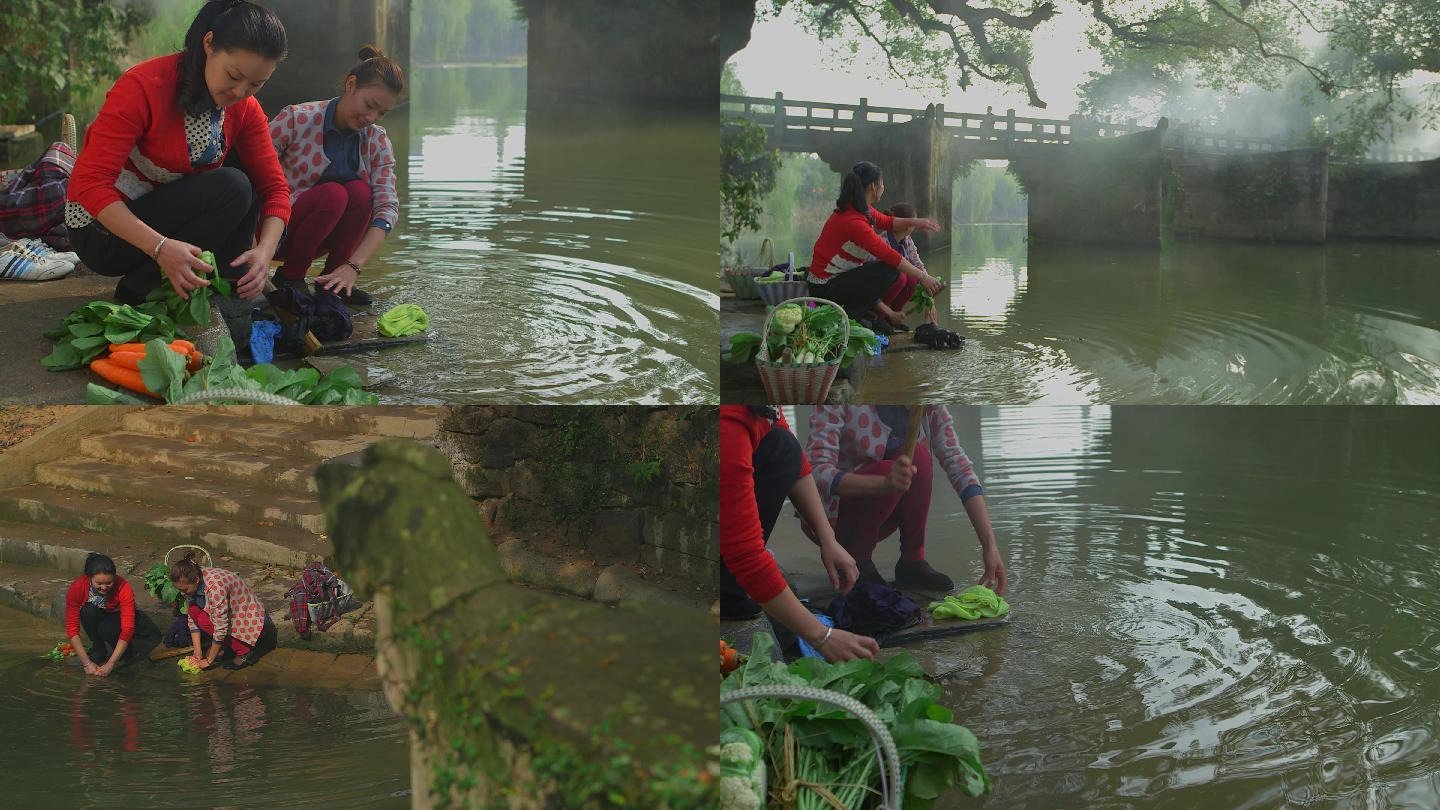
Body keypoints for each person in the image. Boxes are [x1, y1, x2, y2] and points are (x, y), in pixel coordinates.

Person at [65, 0, 291, 306]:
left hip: (162, 215)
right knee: (233, 185)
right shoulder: (143, 86)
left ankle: (228, 279)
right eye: (234, 76)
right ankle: (141, 287)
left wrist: (265, 251)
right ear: (209, 44)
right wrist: (160, 248)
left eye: (256, 84)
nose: (240, 92)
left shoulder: (244, 108)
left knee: (247, 171)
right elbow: (90, 185)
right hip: (102, 231)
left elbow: (275, 187)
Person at [720, 405, 879, 662]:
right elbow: (745, 554)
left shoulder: (763, 405)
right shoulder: (727, 425)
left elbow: (795, 460)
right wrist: (821, 636)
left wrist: (828, 539)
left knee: (783, 446)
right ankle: (724, 588)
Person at [805, 406, 1008, 595]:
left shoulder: (926, 401)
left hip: (882, 513)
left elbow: (958, 464)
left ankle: (912, 560)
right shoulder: (843, 395)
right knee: (889, 468)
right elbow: (814, 471)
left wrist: (990, 546)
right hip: (831, 522)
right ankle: (858, 561)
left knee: (918, 456)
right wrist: (881, 483)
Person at [268, 45, 403, 306]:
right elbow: (252, 173)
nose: (371, 117)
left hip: (322, 238)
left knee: (362, 193)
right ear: (351, 85)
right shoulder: (296, 119)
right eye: (370, 105)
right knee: (334, 194)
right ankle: (291, 277)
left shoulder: (377, 140)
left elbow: (387, 209)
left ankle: (333, 283)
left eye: (381, 113)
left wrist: (353, 266)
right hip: (277, 232)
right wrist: (254, 249)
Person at [807, 161, 943, 330]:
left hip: (835, 281)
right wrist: (924, 278)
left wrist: (918, 222)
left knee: (891, 271)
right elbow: (889, 255)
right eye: (882, 183)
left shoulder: (861, 210)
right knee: (889, 270)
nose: (883, 187)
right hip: (824, 287)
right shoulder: (854, 221)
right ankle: (852, 317)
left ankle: (863, 315)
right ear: (873, 186)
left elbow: (888, 221)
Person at [170, 551, 278, 670]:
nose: (182, 593)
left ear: (196, 580)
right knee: (195, 612)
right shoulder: (194, 577)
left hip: (252, 620)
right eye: (180, 590)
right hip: (231, 614)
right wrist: (197, 653)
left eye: (185, 590)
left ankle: (245, 653)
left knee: (206, 621)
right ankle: (227, 646)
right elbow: (192, 619)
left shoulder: (215, 586)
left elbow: (221, 628)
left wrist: (208, 661)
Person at [882, 202, 963, 349]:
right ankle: (881, 317)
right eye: (913, 222)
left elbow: (919, 267)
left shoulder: (907, 241)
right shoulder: (882, 241)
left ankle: (892, 319)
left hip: (892, 287)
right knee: (901, 278)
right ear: (906, 224)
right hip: (876, 292)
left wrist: (929, 299)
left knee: (913, 279)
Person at [64, 553, 136, 677]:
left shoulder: (124, 588)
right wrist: (86, 663)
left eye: (109, 583)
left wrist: (110, 664)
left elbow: (128, 629)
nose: (104, 587)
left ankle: (123, 652)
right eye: (99, 583)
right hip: (99, 613)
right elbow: (72, 629)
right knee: (87, 611)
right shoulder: (78, 587)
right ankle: (99, 647)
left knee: (107, 629)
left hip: (117, 617)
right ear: (90, 578)